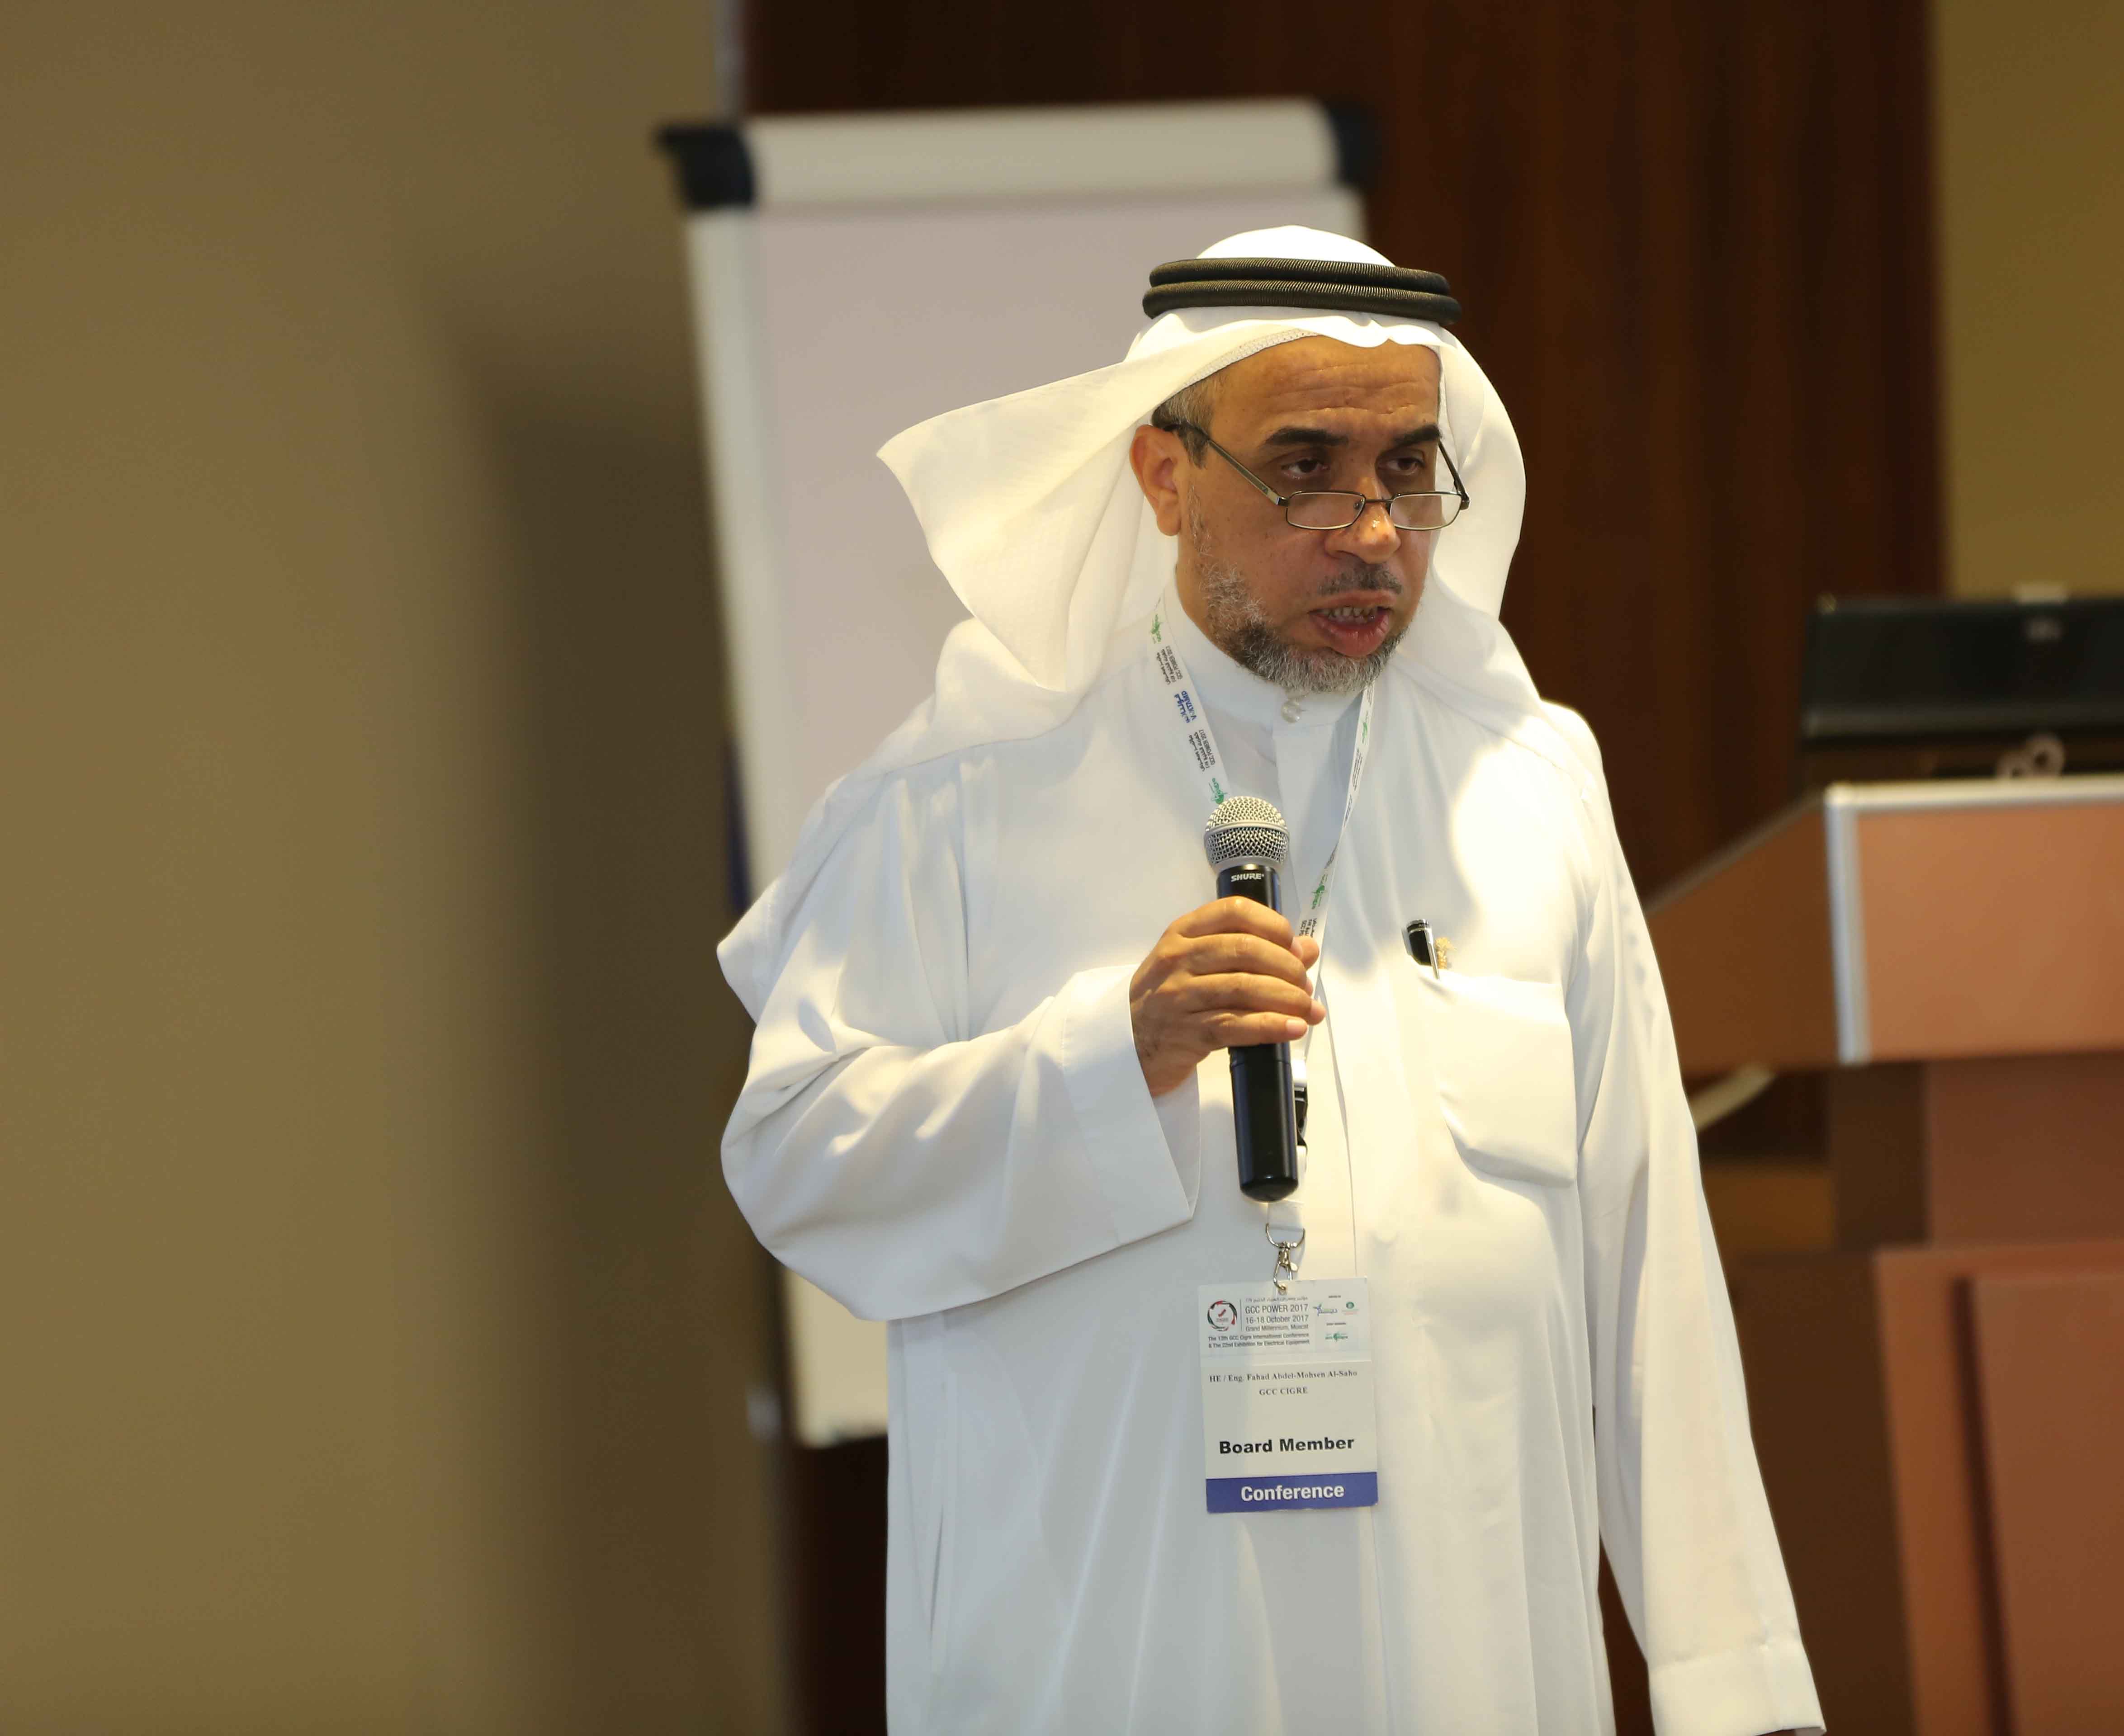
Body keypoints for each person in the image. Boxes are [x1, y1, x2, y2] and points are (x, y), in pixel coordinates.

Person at [718, 228, 1822, 1735]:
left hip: (1468, 1645)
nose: (1371, 531)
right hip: (1112, 1646)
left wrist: (1732, 1687)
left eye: (1407, 472)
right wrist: (1109, 1054)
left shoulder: (1531, 788)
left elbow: (1649, 1264)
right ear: (1165, 476)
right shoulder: (963, 798)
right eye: (1306, 468)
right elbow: (799, 1159)